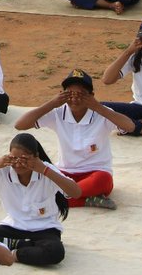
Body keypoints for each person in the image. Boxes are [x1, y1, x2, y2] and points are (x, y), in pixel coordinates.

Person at [15, 68, 133, 209]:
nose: (75, 99)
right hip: (65, 173)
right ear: (62, 95)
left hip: (95, 173)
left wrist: (97, 106)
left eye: (81, 94)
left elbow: (129, 126)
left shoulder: (101, 114)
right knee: (39, 179)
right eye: (69, 94)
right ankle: (85, 200)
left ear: (91, 96)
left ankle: (57, 199)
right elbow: (20, 125)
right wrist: (52, 103)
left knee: (103, 181)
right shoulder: (58, 113)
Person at [0, 132, 80, 267]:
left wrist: (44, 170)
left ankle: (14, 252)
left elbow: (75, 192)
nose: (18, 164)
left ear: (36, 157)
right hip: (13, 227)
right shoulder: (3, 170)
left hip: (45, 230)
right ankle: (22, 244)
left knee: (55, 252)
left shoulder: (45, 169)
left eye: (24, 159)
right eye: (14, 159)